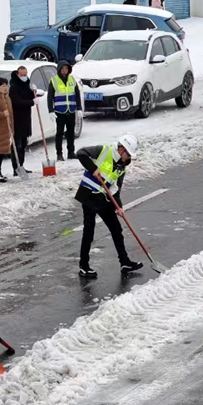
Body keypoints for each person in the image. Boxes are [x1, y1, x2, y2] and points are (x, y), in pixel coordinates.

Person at [74, 135, 144, 278]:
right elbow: (81, 153)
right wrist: (93, 169)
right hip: (88, 195)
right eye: (128, 154)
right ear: (122, 149)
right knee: (89, 231)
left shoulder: (121, 166)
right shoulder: (103, 151)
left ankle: (124, 262)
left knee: (116, 229)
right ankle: (84, 266)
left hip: (103, 198)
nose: (129, 158)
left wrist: (119, 207)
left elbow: (115, 188)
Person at [48, 61, 81, 161]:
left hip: (71, 110)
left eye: (66, 69)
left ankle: (71, 152)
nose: (64, 71)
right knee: (59, 133)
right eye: (62, 69)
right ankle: (59, 153)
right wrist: (51, 111)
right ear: (59, 69)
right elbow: (50, 97)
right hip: (60, 112)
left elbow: (77, 94)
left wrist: (79, 108)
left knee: (71, 133)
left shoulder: (72, 79)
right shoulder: (54, 80)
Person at [8, 66, 35, 177]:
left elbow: (29, 97)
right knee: (17, 145)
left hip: (26, 120)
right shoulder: (13, 87)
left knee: (23, 145)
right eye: (22, 75)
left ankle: (21, 166)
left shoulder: (26, 85)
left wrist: (33, 92)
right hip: (17, 120)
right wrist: (32, 102)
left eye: (25, 74)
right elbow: (18, 102)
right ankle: (16, 167)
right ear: (17, 74)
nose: (24, 77)